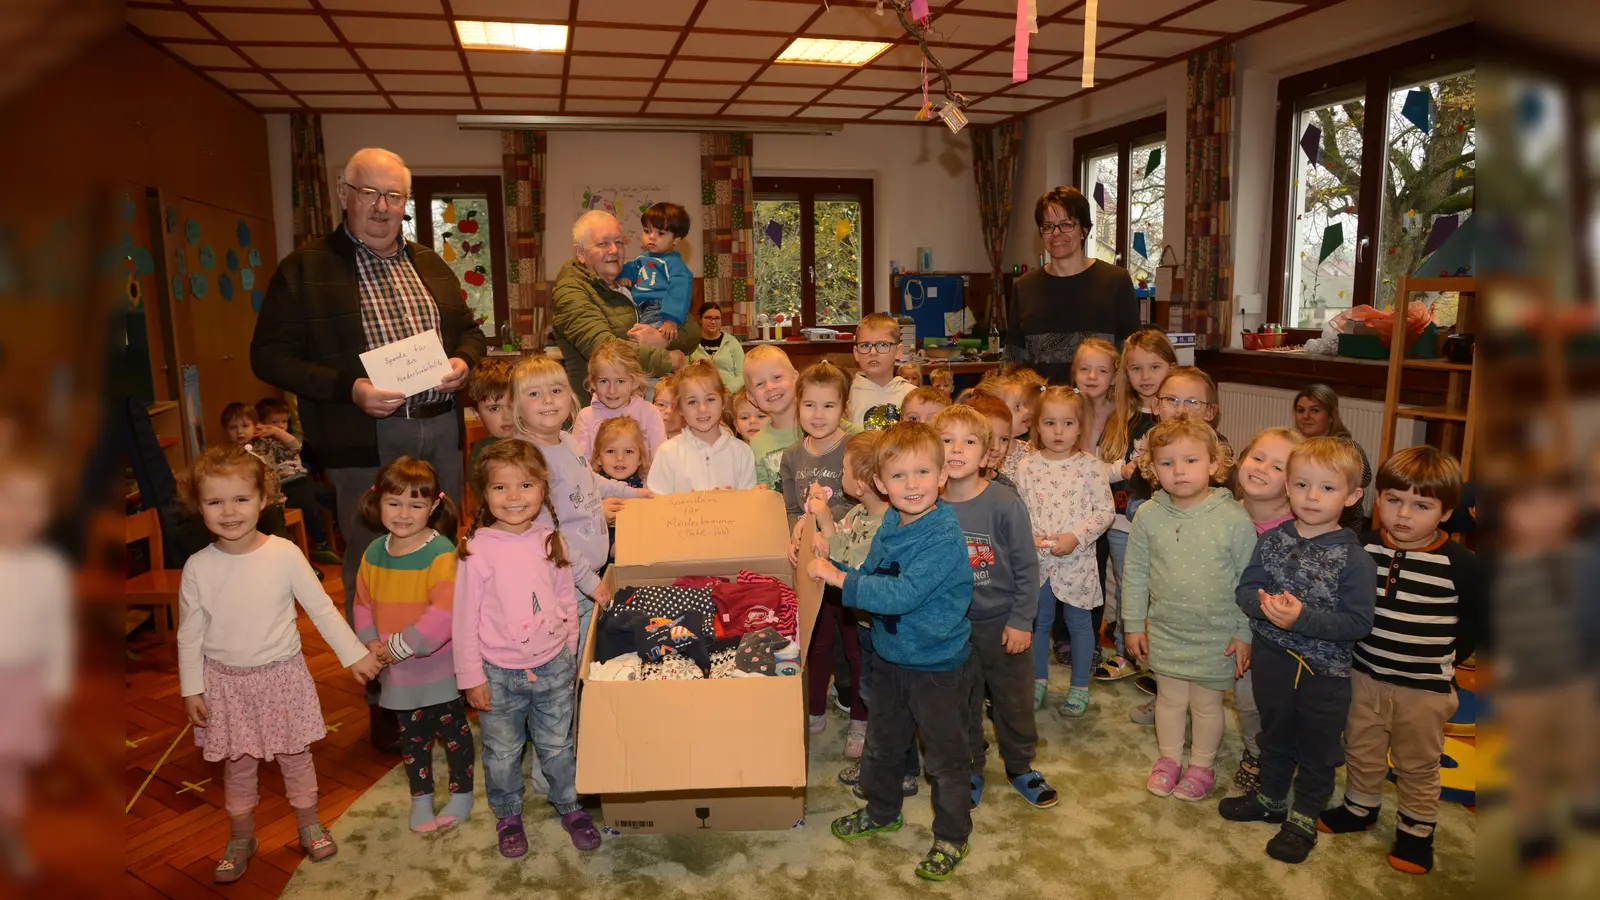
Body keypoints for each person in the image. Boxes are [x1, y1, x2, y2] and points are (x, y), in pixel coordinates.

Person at [251, 146, 485, 617]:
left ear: (406, 202)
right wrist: (349, 388)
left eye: (394, 195)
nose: (382, 206)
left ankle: (442, 661)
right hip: (363, 436)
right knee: (371, 553)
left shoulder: (431, 264)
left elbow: (471, 334)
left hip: (440, 428)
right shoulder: (304, 269)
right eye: (369, 192)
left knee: (440, 549)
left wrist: (463, 360)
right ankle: (378, 669)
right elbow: (269, 357)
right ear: (343, 194)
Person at [176, 446, 383, 883]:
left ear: (264, 498)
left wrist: (355, 656)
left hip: (281, 678)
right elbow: (190, 634)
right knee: (238, 764)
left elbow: (323, 609)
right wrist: (191, 688)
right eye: (215, 502)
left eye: (240, 499)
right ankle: (241, 836)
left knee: (296, 756)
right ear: (199, 507)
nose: (229, 512)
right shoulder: (197, 567)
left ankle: (309, 823)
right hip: (225, 686)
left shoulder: (284, 553)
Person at [808, 422, 977, 882]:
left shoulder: (942, 536)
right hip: (888, 656)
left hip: (937, 667)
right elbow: (875, 575)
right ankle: (883, 812)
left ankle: (952, 836)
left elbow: (901, 595)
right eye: (899, 476)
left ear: (942, 477)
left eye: (923, 472)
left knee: (945, 759)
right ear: (880, 484)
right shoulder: (889, 521)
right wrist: (833, 566)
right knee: (882, 746)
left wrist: (841, 579)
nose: (913, 485)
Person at [1319, 446, 1481, 875]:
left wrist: (1445, 660)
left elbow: (1475, 625)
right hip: (1365, 675)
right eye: (1394, 500)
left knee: (1417, 763)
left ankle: (1416, 830)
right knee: (1362, 746)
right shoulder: (1363, 547)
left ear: (1445, 513)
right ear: (1378, 500)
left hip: (1424, 689)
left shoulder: (1461, 565)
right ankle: (1360, 807)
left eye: (1421, 505)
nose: (1403, 515)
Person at [1224, 437, 1376, 864]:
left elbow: (1357, 624)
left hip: (1322, 675)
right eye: (1302, 485)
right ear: (1287, 487)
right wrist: (1264, 606)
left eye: (1327, 488)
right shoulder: (1274, 539)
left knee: (1316, 747)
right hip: (1271, 659)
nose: (1312, 497)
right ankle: (1271, 800)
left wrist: (1301, 618)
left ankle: (1304, 817)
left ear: (1352, 495)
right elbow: (1246, 588)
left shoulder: (1354, 558)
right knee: (1273, 734)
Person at [453, 440, 603, 856]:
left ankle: (570, 805)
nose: (514, 497)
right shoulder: (476, 551)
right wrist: (471, 678)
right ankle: (508, 815)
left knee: (558, 745)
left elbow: (566, 601)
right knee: (502, 752)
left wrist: (572, 654)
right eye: (500, 488)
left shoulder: (550, 540)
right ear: (484, 494)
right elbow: (464, 620)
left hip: (554, 665)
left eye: (525, 485)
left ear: (542, 489)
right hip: (497, 675)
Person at [1121, 419, 1257, 803]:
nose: (1179, 470)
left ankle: (1201, 765)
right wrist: (1133, 624)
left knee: (1207, 704)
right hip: (1166, 629)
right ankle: (1168, 760)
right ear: (1152, 469)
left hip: (1218, 635)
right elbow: (1134, 573)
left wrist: (1243, 633)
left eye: (1191, 460)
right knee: (1169, 699)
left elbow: (1249, 583)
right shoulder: (1147, 515)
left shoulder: (1234, 518)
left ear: (1214, 464)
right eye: (1167, 463)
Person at [932, 405, 1055, 810]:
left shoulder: (1004, 502)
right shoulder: (927, 506)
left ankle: (1021, 766)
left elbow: (1026, 566)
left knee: (1013, 703)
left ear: (987, 456)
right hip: (954, 629)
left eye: (969, 442)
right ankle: (969, 767)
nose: (956, 449)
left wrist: (1022, 621)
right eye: (946, 440)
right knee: (960, 703)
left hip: (1004, 624)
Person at [350, 457, 469, 834]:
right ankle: (421, 798)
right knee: (412, 740)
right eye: (394, 502)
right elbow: (362, 603)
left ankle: (461, 791)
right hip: (397, 672)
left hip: (437, 667)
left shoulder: (441, 552)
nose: (404, 513)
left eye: (416, 505)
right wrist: (370, 644)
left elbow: (444, 614)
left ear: (433, 507)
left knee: (454, 736)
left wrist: (395, 647)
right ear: (377, 501)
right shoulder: (373, 552)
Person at [510, 355, 646, 652]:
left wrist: (633, 493)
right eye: (534, 394)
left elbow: (588, 479)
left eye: (556, 391)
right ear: (516, 406)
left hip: (585, 577)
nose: (548, 400)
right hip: (564, 582)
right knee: (574, 657)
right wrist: (588, 581)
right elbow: (546, 535)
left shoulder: (565, 440)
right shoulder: (529, 460)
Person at [1015, 387, 1114, 715]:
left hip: (1077, 561)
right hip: (1038, 562)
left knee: (1079, 623)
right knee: (1038, 623)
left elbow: (1105, 512)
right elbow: (1018, 509)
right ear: (1037, 425)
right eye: (1050, 423)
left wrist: (1076, 536)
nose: (1059, 432)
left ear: (1080, 426)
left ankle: (1079, 686)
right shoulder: (1026, 466)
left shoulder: (1090, 466)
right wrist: (1026, 535)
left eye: (1068, 423)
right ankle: (1038, 680)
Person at [782, 363, 863, 741]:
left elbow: (866, 501)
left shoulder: (854, 447)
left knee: (855, 643)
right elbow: (790, 508)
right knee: (815, 637)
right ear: (797, 406)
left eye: (828, 406)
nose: (818, 415)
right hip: (812, 565)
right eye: (810, 405)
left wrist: (827, 517)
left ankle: (861, 719)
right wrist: (796, 529)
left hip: (849, 560)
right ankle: (813, 709)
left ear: (844, 408)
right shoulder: (793, 454)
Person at [0, 451, 72, 879]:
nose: (25, 513)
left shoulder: (49, 568)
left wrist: (57, 686)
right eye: (13, 500)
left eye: (36, 502)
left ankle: (11, 832)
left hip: (27, 680)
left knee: (12, 761)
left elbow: (58, 631)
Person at [1096, 330, 1175, 690]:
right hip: (1120, 523)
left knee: (1161, 592)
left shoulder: (1175, 421)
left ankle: (1161, 664)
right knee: (1127, 589)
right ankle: (1128, 656)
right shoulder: (1121, 418)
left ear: (1171, 367)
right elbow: (1101, 466)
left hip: (1166, 525)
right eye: (1136, 368)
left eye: (1155, 367)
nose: (1145, 377)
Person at [552, 210, 697, 407]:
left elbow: (693, 331)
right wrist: (668, 359)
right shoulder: (570, 290)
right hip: (601, 414)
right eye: (603, 243)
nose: (614, 250)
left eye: (619, 242)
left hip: (647, 409)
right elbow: (602, 347)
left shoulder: (634, 281)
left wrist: (661, 338)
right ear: (580, 253)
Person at [1228, 426, 1304, 794]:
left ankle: (1261, 755)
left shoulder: (1295, 533)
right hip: (1217, 621)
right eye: (1258, 457)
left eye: (1278, 467)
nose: (1261, 468)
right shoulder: (1223, 512)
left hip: (1269, 634)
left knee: (1254, 702)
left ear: (1293, 483)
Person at [1002, 187, 1140, 384]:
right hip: (1042, 409)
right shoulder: (1024, 287)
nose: (1056, 233)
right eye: (1048, 226)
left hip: (1102, 409)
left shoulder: (1116, 281)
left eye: (1066, 224)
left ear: (1084, 230)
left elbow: (1132, 354)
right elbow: (1012, 359)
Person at [647, 359, 756, 494]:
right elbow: (656, 504)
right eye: (692, 402)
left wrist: (733, 501)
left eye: (710, 399)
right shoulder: (668, 452)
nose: (702, 408)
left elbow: (749, 506)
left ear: (723, 401)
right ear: (680, 408)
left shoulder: (742, 452)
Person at [255, 397, 340, 563]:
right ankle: (320, 543)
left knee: (331, 495)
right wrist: (274, 433)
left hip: (304, 479)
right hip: (288, 485)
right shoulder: (266, 443)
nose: (280, 426)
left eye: (284, 422)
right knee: (310, 505)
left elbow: (295, 445)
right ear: (262, 424)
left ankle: (336, 531)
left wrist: (278, 432)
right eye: (274, 422)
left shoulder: (283, 438)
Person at [1293, 383, 1373, 531]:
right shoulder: (1295, 447)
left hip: (1342, 530)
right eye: (1300, 410)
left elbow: (1365, 479)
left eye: (1315, 410)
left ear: (1330, 416)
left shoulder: (1347, 447)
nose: (1305, 416)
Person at [569, 341, 667, 461]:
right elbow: (580, 464)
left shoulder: (649, 413)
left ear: (634, 382)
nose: (612, 390)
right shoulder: (585, 417)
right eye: (604, 381)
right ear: (593, 383)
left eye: (620, 381)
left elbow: (660, 460)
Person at [620, 202, 693, 339]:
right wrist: (625, 275)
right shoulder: (643, 258)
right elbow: (631, 268)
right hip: (640, 307)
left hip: (659, 309)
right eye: (647, 231)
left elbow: (679, 290)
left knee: (640, 339)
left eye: (660, 233)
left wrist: (671, 319)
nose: (652, 237)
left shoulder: (673, 263)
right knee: (635, 339)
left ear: (676, 240)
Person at [744, 345, 803, 489]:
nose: (770, 387)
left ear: (796, 378)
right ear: (751, 397)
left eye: (777, 377)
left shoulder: (819, 423)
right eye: (760, 383)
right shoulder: (757, 443)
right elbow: (763, 487)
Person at [849, 313, 916, 431]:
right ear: (856, 353)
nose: (873, 352)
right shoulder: (846, 395)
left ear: (898, 351)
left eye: (883, 345)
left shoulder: (913, 395)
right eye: (865, 345)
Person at [467, 356, 515, 472]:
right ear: (477, 414)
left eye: (512, 405)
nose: (507, 416)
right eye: (494, 408)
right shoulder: (482, 455)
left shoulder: (538, 441)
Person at [687, 302, 745, 394]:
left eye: (717, 318)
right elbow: (684, 372)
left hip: (729, 394)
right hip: (699, 392)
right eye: (708, 318)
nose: (713, 322)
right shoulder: (691, 343)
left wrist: (728, 390)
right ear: (700, 319)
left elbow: (742, 374)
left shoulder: (732, 342)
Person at [966, 393, 1019, 492]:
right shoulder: (949, 482)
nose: (996, 447)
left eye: (1004, 439)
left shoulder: (1006, 488)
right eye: (989, 437)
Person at [590, 416, 649, 489]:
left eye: (628, 451)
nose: (620, 458)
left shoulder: (649, 487)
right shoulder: (592, 487)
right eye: (611, 451)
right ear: (598, 458)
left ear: (640, 458)